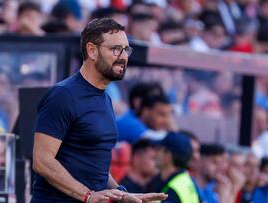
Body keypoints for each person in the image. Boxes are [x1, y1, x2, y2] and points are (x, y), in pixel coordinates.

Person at [31, 18, 167, 203]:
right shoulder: (63, 95)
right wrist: (87, 195)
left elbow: (95, 169)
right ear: (92, 51)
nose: (124, 56)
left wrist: (122, 194)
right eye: (115, 49)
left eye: (126, 49)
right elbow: (42, 161)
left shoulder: (105, 99)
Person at [152, 132, 201, 203]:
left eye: (159, 149)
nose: (155, 154)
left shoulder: (172, 190)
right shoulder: (190, 182)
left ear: (168, 155)